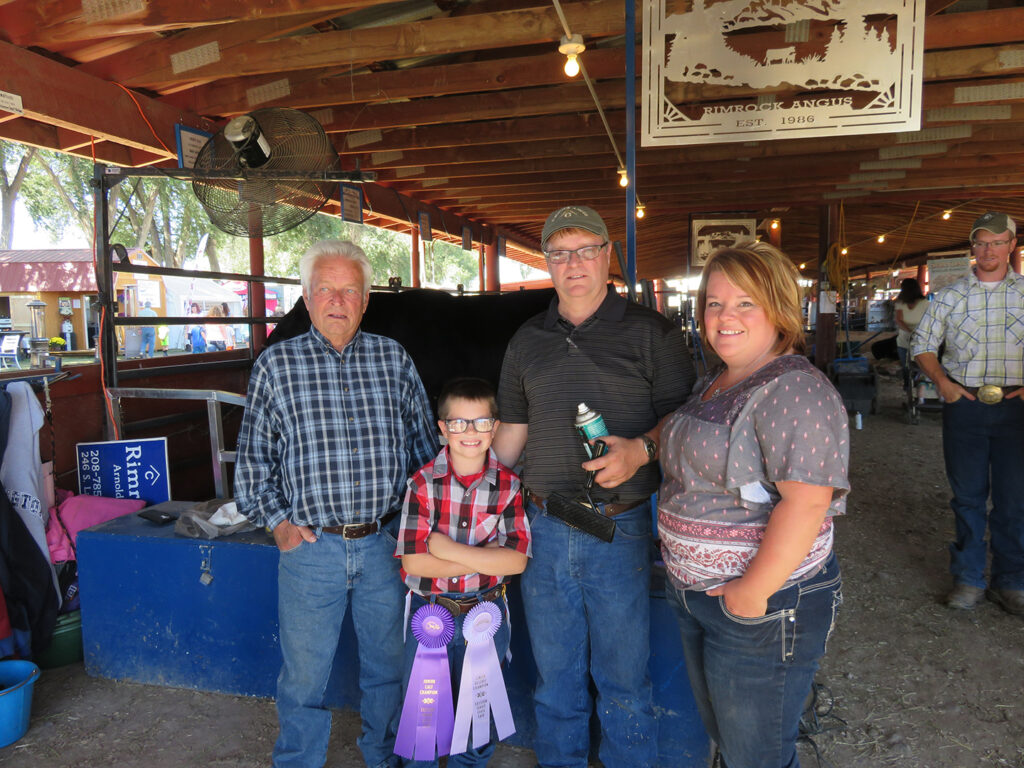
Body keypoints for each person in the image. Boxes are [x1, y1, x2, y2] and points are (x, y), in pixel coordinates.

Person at [493, 205, 695, 768]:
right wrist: (468, 486)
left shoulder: (651, 333)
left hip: (621, 524)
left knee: (623, 678)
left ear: (608, 256)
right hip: (544, 523)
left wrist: (641, 449)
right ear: (548, 263)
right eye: (560, 253)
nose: (573, 263)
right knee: (555, 680)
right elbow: (513, 431)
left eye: (586, 250)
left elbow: (685, 420)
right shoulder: (526, 340)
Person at [235, 240, 437, 768]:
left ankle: (384, 757)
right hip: (312, 548)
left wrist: (423, 531)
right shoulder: (276, 366)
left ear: (366, 299)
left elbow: (425, 458)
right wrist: (279, 524)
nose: (337, 300)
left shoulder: (394, 360)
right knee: (303, 676)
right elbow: (252, 467)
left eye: (349, 289)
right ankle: (299, 761)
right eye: (325, 288)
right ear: (306, 296)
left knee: (389, 668)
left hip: (385, 545)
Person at [658, 240, 850, 768]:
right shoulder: (719, 379)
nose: (725, 316)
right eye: (714, 303)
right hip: (703, 596)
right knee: (731, 739)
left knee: (756, 755)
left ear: (780, 307)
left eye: (746, 302)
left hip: (764, 606)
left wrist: (752, 591)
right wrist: (642, 446)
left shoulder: (794, 389)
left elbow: (808, 504)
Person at [395, 377, 531, 767]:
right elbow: (414, 562)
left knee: (477, 726)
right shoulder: (421, 485)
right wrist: (485, 556)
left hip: (485, 616)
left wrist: (448, 548)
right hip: (430, 614)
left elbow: (517, 561)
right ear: (442, 429)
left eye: (481, 422)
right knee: (424, 726)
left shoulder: (509, 487)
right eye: (458, 423)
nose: (470, 432)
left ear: (496, 428)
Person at [912, 211, 1024, 615]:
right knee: (968, 498)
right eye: (981, 242)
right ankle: (969, 578)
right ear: (972, 248)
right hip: (967, 407)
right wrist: (943, 384)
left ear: (1012, 245)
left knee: (1015, 500)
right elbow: (922, 345)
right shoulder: (950, 296)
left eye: (997, 242)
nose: (988, 250)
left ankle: (1011, 581)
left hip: (1017, 409)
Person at [893, 277, 928, 372]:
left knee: (921, 368)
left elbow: (928, 321)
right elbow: (899, 320)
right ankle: (907, 385)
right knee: (906, 368)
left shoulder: (925, 303)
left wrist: (916, 334)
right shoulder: (900, 303)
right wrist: (911, 333)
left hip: (921, 341)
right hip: (904, 341)